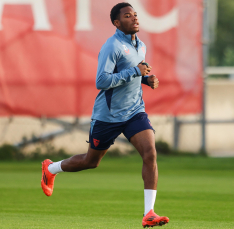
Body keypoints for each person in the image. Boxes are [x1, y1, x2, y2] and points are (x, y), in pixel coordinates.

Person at [41, 2, 169, 228]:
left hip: (134, 112)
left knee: (150, 154)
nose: (135, 18)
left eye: (135, 14)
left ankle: (149, 212)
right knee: (91, 162)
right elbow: (102, 81)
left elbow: (132, 76)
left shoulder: (141, 46)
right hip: (108, 116)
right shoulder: (112, 47)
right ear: (117, 23)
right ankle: (51, 168)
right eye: (128, 16)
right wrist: (134, 72)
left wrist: (146, 80)